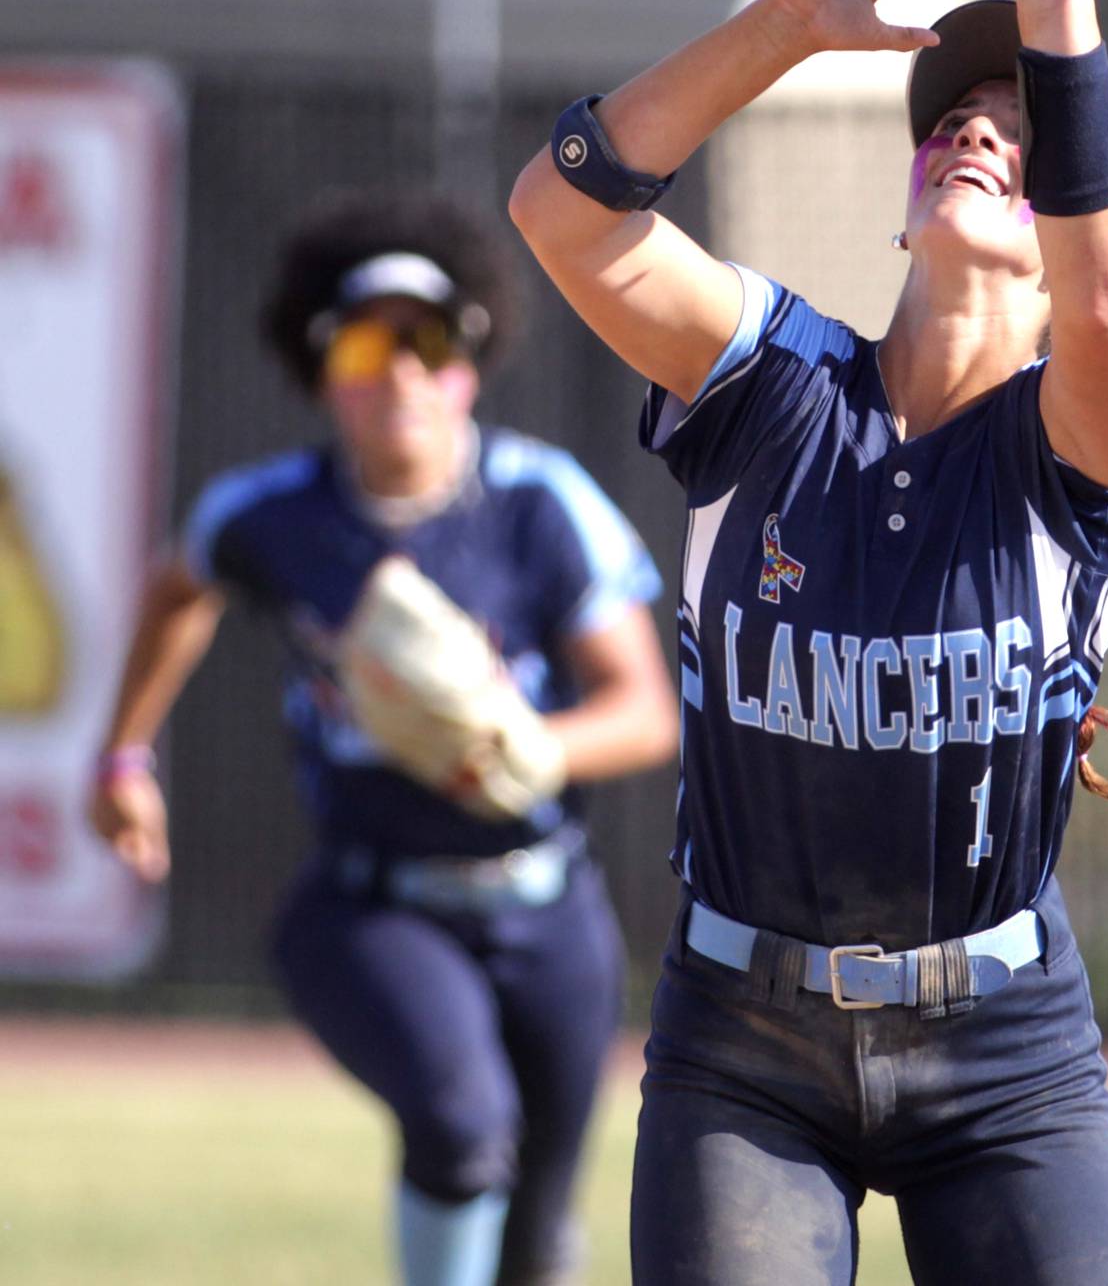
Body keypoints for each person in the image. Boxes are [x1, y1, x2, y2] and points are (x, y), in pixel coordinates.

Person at [508, 0, 1108, 1285]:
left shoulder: (1074, 448)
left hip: (1008, 1058)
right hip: (742, 1050)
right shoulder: (783, 387)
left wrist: (1061, 3)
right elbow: (562, 212)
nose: (975, 133)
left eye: (1020, 129)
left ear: (1067, 227)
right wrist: (791, 23)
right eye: (950, 123)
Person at [89, 190, 679, 1286]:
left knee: (537, 1228)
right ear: (322, 369)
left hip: (546, 906)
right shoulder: (274, 513)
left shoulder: (538, 502)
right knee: (460, 1127)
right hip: (370, 902)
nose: (400, 370)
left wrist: (540, 748)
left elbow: (644, 708)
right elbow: (180, 588)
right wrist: (124, 754)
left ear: (471, 363)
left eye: (430, 340)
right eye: (367, 342)